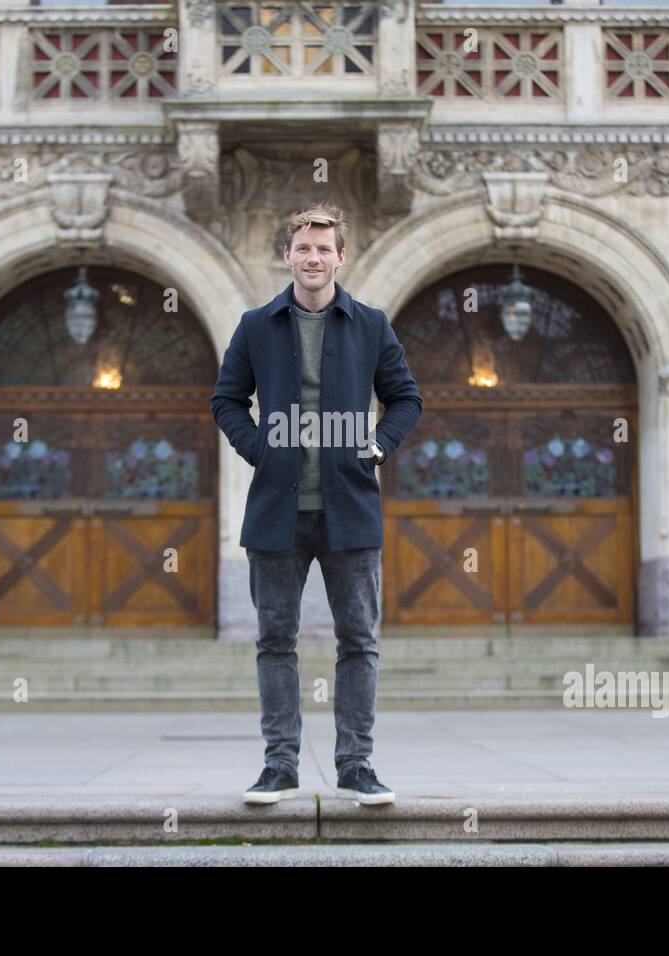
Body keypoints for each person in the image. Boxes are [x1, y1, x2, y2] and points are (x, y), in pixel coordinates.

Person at [210, 202, 422, 806]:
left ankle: (356, 766)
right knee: (275, 641)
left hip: (350, 510)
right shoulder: (256, 325)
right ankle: (280, 767)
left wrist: (378, 447)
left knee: (360, 640)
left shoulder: (372, 325)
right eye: (303, 247)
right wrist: (260, 449)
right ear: (287, 255)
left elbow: (406, 398)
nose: (313, 257)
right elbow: (226, 399)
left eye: (324, 249)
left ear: (340, 257)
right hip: (276, 512)